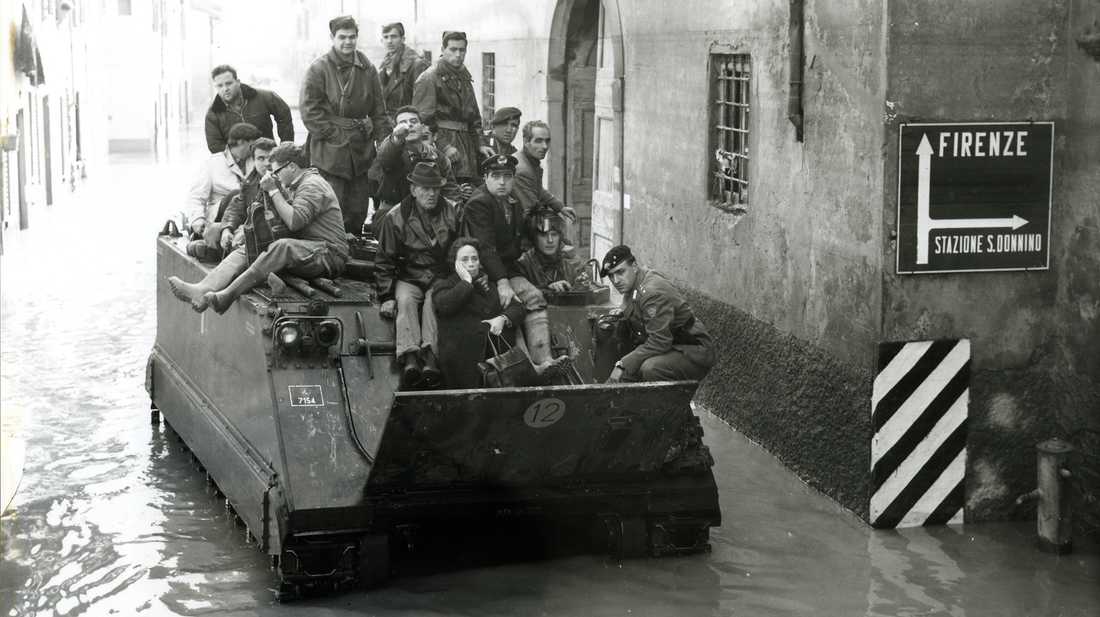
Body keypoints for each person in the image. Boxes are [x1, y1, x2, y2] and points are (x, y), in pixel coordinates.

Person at [167, 143, 349, 314]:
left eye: (277, 170)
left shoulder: (312, 185)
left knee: (282, 246)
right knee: (249, 247)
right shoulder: (296, 185)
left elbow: (295, 221)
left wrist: (274, 191)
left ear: (292, 167)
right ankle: (202, 289)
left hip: (329, 254)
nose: (274, 175)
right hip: (308, 249)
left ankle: (227, 295)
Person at [462, 154, 568, 375]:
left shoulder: (512, 202)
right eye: (496, 176)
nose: (502, 182)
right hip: (480, 272)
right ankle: (529, 367)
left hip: (506, 269)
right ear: (486, 178)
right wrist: (502, 283)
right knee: (512, 305)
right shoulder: (479, 204)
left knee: (534, 296)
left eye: (507, 177)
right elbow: (486, 248)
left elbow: (523, 239)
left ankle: (545, 359)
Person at [301, 15, 389, 235]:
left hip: (361, 147)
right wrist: (334, 135)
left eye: (352, 37)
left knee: (358, 205)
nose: (348, 42)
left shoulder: (367, 68)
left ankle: (354, 248)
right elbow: (309, 111)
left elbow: (379, 109)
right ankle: (330, 250)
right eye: (342, 37)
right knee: (332, 202)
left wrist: (384, 141)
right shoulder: (318, 68)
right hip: (330, 150)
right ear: (332, 38)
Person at [375, 162, 460, 388]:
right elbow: (384, 259)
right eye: (425, 188)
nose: (431, 194)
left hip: (440, 275)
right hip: (409, 276)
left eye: (435, 188)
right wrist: (386, 296)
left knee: (434, 302)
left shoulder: (452, 211)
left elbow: (461, 248)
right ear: (413, 189)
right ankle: (410, 357)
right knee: (405, 301)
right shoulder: (395, 217)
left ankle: (431, 357)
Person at [601, 246, 715, 383]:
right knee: (626, 371)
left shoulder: (651, 292)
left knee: (650, 368)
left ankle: (670, 404)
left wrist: (622, 365)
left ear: (635, 266)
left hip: (692, 349)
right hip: (671, 346)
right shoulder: (634, 283)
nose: (616, 280)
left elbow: (659, 341)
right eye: (611, 275)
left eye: (620, 272)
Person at [432, 237, 527, 389]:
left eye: (474, 259)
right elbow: (445, 305)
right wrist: (466, 282)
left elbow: (518, 308)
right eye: (464, 259)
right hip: (462, 366)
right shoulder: (444, 287)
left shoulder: (489, 286)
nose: (471, 263)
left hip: (494, 366)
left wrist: (503, 318)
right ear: (455, 263)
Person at [412, 31, 492, 184]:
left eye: (462, 50)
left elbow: (474, 117)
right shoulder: (430, 77)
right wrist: (444, 146)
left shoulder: (464, 77)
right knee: (447, 189)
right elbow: (423, 120)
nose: (458, 55)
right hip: (442, 146)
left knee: (467, 191)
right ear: (443, 50)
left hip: (466, 145)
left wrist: (480, 143)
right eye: (453, 49)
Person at [371, 105, 463, 235]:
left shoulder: (439, 157)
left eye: (414, 122)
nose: (409, 126)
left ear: (423, 127)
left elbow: (451, 190)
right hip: (393, 216)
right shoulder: (393, 151)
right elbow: (385, 158)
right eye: (403, 123)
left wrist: (455, 215)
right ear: (395, 129)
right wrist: (396, 138)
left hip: (428, 216)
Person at [183, 122, 261, 255]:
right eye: (252, 145)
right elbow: (196, 197)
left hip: (245, 212)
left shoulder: (256, 162)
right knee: (236, 194)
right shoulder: (212, 163)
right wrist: (197, 219)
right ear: (241, 142)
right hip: (220, 214)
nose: (254, 150)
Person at [204, 65, 294, 154]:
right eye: (220, 86)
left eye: (229, 83)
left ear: (238, 82)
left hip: (267, 157)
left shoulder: (264, 97)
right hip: (238, 164)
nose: (225, 89)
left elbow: (284, 114)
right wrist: (240, 156)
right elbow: (215, 146)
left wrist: (285, 145)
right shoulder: (213, 113)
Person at [515, 121, 576, 247]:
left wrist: (560, 207)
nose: (544, 146)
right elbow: (533, 210)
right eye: (538, 141)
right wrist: (560, 240)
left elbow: (538, 189)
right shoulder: (523, 169)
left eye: (547, 141)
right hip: (521, 234)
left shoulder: (531, 162)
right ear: (526, 142)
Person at [515, 209, 587, 294]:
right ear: (534, 238)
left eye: (554, 234)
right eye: (543, 235)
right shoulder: (523, 264)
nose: (550, 240)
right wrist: (548, 289)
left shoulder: (571, 260)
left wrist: (580, 285)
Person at [378, 22, 428, 112]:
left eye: (394, 36)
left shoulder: (417, 65)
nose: (389, 41)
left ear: (403, 39)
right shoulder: (384, 66)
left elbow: (422, 103)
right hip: (388, 121)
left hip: (407, 120)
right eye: (386, 37)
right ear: (381, 41)